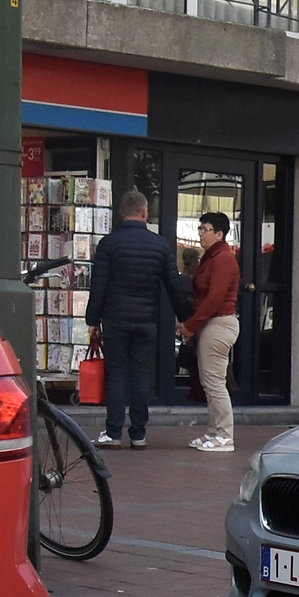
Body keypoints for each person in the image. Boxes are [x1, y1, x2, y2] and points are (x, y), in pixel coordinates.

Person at [83, 190, 189, 449]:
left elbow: (99, 285)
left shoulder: (109, 244)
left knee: (117, 373)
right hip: (146, 320)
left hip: (116, 319)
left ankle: (113, 432)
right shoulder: (161, 245)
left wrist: (93, 320)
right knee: (140, 374)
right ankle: (139, 433)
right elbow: (173, 285)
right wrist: (186, 318)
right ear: (144, 212)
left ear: (122, 213)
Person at [180, 211, 242, 453]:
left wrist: (190, 325)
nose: (201, 234)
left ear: (219, 233)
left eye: (205, 229)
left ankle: (225, 435)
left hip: (219, 323)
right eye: (200, 229)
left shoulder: (223, 258)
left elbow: (215, 297)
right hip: (212, 323)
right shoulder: (212, 257)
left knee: (215, 382)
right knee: (210, 381)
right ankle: (214, 432)